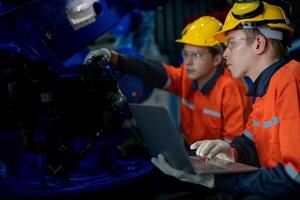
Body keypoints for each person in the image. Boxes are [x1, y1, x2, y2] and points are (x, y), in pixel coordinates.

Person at [151, 1, 300, 199]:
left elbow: (294, 178)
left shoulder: (290, 80)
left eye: (231, 43)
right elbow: (252, 140)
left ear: (259, 44)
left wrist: (216, 180)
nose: (225, 53)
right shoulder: (265, 89)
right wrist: (231, 150)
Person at [84, 16, 251, 145]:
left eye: (196, 55)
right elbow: (155, 72)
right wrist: (114, 58)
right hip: (194, 156)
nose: (188, 62)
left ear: (217, 58)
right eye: (185, 54)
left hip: (224, 171)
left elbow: (234, 150)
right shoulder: (188, 77)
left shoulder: (232, 90)